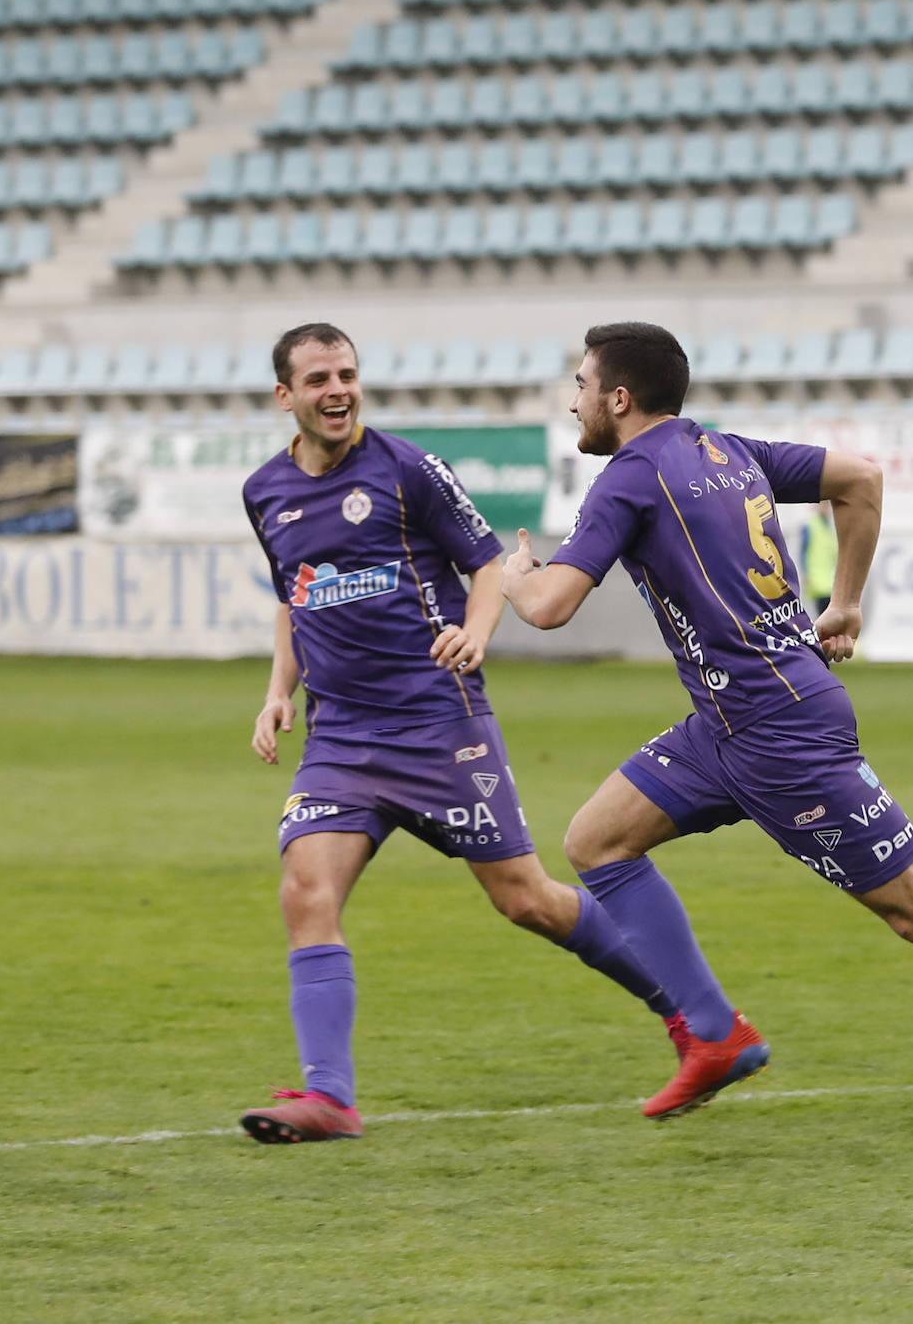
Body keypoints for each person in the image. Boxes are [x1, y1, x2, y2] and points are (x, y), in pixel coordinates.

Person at [500, 321, 913, 1159]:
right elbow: (859, 478)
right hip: (731, 722)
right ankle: (713, 1034)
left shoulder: (629, 479)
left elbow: (550, 606)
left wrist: (513, 575)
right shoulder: (726, 450)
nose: (576, 400)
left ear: (619, 397)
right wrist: (844, 601)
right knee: (598, 840)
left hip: (779, 733)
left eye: (581, 384)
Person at [237, 322, 690, 1144]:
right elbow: (293, 596)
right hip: (339, 739)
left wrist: (479, 632)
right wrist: (279, 693)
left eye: (346, 373)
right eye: (317, 379)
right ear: (285, 396)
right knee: (306, 891)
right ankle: (330, 1096)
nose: (337, 390)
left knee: (529, 901)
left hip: (436, 723)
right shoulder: (264, 490)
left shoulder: (408, 469)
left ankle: (689, 1015)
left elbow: (483, 562)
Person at [799, 503, 837, 620]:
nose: (826, 508)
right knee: (822, 618)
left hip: (829, 582)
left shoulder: (829, 527)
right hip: (816, 581)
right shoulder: (810, 525)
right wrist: (805, 574)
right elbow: (802, 553)